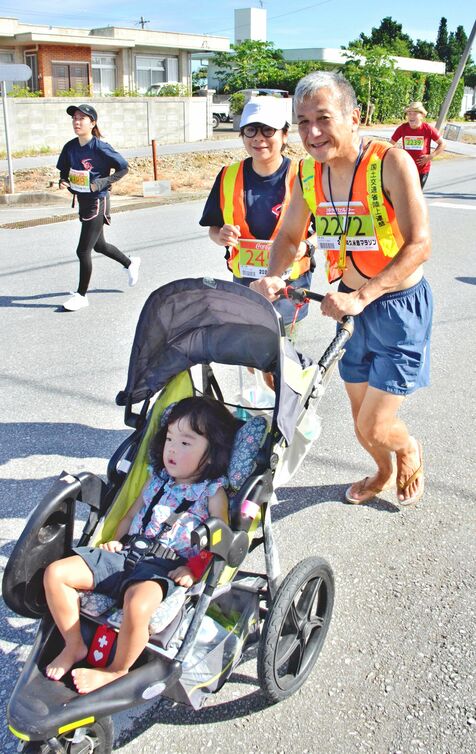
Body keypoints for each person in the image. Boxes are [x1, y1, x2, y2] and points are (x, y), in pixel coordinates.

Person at [251, 71, 432, 507]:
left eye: (323, 118)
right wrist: (277, 274)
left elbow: (419, 245)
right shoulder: (308, 175)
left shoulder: (390, 162)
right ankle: (383, 471)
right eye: (302, 121)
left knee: (375, 426)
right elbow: (290, 238)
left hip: (396, 308)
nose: (312, 132)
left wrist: (361, 295)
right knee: (360, 422)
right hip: (350, 312)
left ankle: (407, 450)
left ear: (354, 117)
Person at [43, 396, 237, 693]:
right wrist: (114, 541)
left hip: (165, 567)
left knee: (139, 603)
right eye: (169, 438)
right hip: (127, 554)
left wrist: (193, 568)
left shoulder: (213, 492)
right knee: (56, 573)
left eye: (185, 443)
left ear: (210, 455)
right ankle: (74, 645)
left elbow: (219, 537)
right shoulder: (156, 480)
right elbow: (132, 514)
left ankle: (117, 670)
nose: (171, 448)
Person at [199, 96, 315, 338]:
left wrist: (306, 246)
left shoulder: (304, 175)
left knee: (283, 358)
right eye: (250, 130)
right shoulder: (228, 175)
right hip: (246, 284)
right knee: (254, 358)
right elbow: (213, 228)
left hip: (288, 286)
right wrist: (220, 235)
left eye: (268, 130)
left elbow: (327, 230)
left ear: (284, 135)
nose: (258, 138)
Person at [56, 104, 141, 311]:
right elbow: (63, 171)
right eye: (74, 118)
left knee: (82, 250)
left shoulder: (100, 147)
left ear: (92, 123)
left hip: (97, 201)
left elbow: (123, 168)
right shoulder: (70, 147)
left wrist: (102, 182)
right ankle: (130, 263)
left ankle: (81, 295)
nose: (77, 122)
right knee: (99, 245)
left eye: (81, 118)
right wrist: (63, 181)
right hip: (83, 201)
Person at [390, 101, 445, 189]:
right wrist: (398, 155)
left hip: (422, 169)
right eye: (409, 113)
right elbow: (390, 144)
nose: (411, 116)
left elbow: (442, 144)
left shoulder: (428, 129)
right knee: (405, 193)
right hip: (406, 167)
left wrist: (430, 156)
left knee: (416, 194)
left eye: (415, 113)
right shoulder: (403, 128)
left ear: (422, 115)